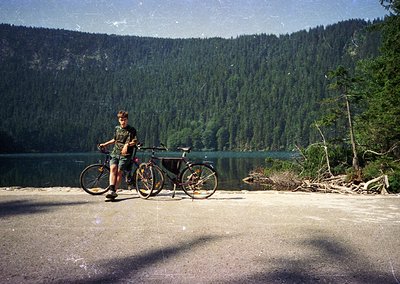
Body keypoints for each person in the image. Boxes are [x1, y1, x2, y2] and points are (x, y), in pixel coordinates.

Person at [99, 110, 137, 199]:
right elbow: (114, 140)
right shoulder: (117, 128)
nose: (123, 122)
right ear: (119, 120)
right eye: (121, 120)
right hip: (115, 152)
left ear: (127, 120)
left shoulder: (132, 130)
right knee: (113, 169)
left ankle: (114, 192)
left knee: (119, 172)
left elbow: (135, 141)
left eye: (124, 120)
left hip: (126, 154)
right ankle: (111, 190)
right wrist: (105, 144)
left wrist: (127, 145)